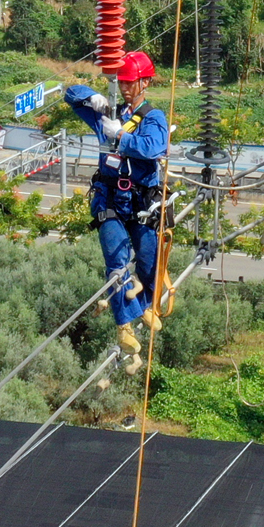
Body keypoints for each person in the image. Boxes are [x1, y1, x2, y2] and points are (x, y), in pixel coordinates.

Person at [62, 51, 171, 371]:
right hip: (110, 198)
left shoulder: (153, 117)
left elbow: (153, 147)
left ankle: (147, 303)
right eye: (121, 81)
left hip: (140, 202)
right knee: (116, 261)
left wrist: (120, 137)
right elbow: (69, 95)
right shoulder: (109, 111)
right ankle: (124, 327)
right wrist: (91, 97)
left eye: (131, 82)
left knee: (149, 261)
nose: (125, 87)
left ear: (145, 83)